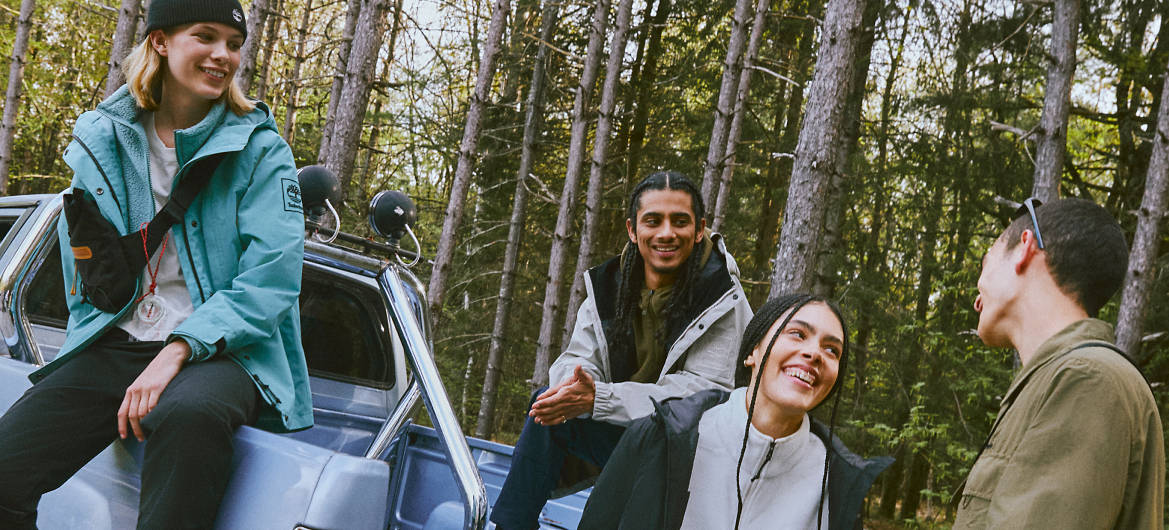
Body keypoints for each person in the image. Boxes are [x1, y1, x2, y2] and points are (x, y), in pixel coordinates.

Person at [0, 1, 312, 528]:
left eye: (234, 44)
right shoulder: (103, 140)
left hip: (224, 351)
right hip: (119, 341)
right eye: (206, 37)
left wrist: (179, 348)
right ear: (162, 43)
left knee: (189, 414)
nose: (223, 55)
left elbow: (272, 280)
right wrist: (89, 340)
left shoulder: (261, 151)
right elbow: (84, 266)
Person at [490, 171, 753, 529]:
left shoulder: (723, 298)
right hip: (631, 432)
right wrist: (575, 389)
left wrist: (600, 398)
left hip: (692, 457)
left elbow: (701, 399)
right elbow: (580, 357)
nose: (666, 233)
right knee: (546, 408)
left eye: (680, 222)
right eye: (653, 221)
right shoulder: (611, 284)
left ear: (699, 229)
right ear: (633, 230)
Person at [579, 293, 892, 530]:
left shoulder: (839, 484)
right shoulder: (663, 436)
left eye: (832, 349)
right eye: (797, 333)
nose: (814, 353)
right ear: (753, 352)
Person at [952, 197, 1164, 529]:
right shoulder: (1065, 377)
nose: (977, 295)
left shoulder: (1087, 379)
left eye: (985, 262)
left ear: (1025, 248)